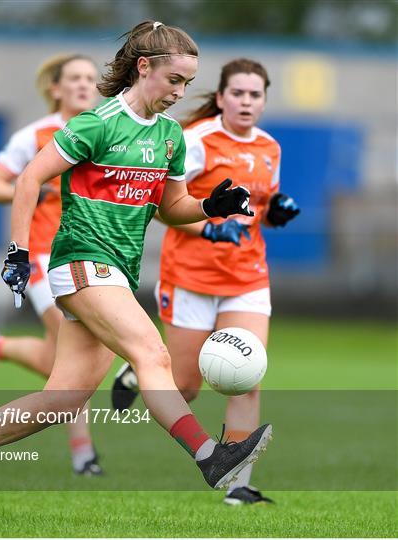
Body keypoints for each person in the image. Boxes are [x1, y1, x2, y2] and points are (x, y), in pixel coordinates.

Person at [0, 22, 272, 516]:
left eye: (188, 84)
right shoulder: (96, 122)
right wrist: (17, 253)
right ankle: (211, 457)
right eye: (174, 80)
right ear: (143, 67)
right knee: (153, 353)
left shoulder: (170, 135)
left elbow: (171, 208)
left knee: (64, 398)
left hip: (116, 273)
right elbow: (29, 179)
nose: (181, 93)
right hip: (81, 262)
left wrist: (212, 205)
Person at [111, 58, 300, 505]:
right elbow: (165, 208)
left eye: (255, 94)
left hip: (246, 278)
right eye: (238, 93)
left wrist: (276, 213)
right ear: (221, 97)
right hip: (190, 277)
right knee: (187, 386)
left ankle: (240, 484)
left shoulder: (270, 147)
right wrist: (211, 226)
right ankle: (139, 372)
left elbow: (258, 213)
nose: (246, 101)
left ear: (264, 101)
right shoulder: (196, 141)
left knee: (246, 378)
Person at [0, 53, 103, 476]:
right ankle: (83, 454)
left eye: (90, 78)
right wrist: (37, 189)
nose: (83, 85)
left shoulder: (102, 131)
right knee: (77, 354)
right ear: (55, 88)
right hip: (41, 256)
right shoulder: (33, 135)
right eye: (74, 78)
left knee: (63, 359)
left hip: (87, 257)